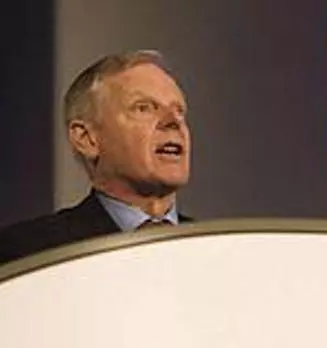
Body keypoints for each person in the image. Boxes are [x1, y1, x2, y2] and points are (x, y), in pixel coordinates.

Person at [0, 50, 193, 265]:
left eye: (179, 111)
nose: (173, 122)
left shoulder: (216, 250)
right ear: (87, 139)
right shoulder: (29, 255)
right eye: (143, 108)